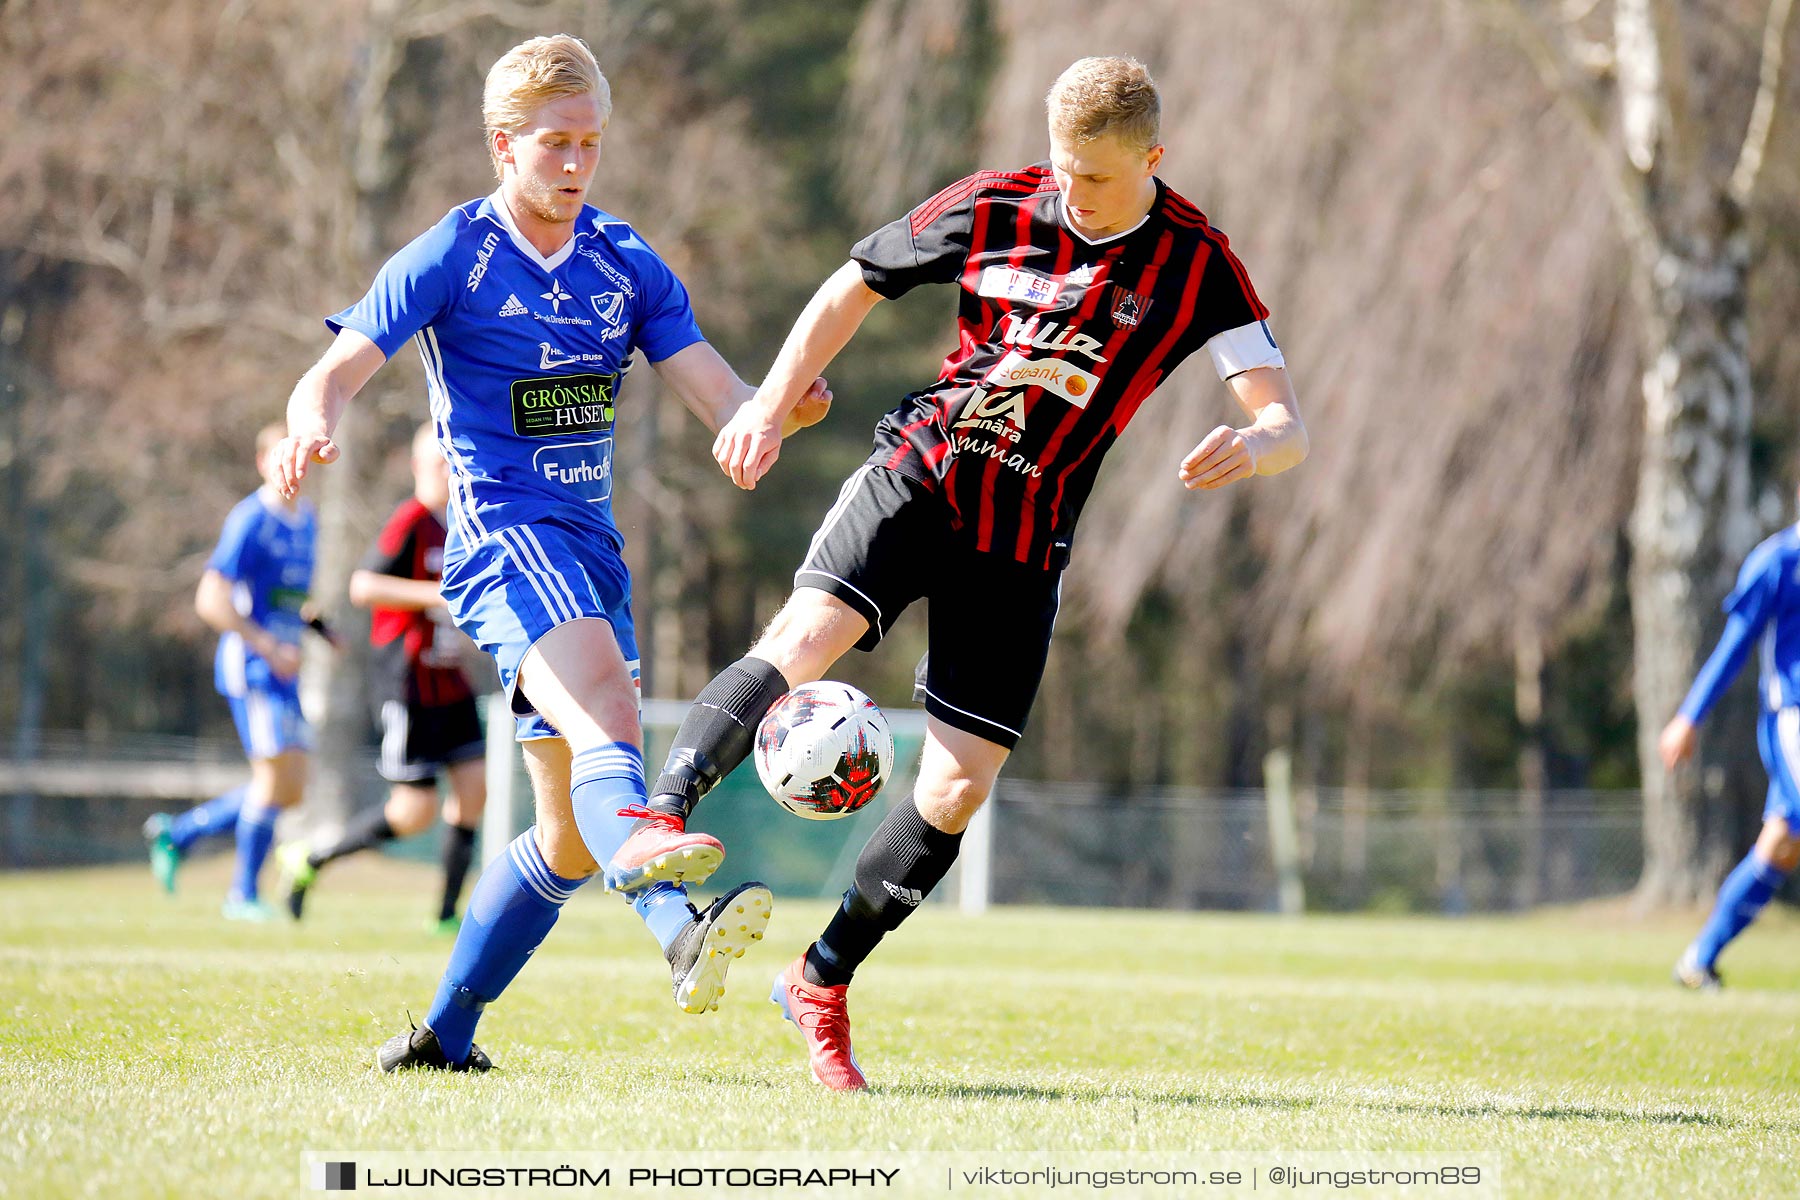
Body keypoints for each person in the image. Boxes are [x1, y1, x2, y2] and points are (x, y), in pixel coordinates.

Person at [642, 55, 1307, 1090]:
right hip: (921, 470)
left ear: (1153, 160)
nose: (1070, 194)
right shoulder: (994, 206)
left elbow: (1285, 420)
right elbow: (850, 284)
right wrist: (769, 402)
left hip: (1026, 535)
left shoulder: (1195, 262)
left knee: (957, 786)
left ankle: (819, 979)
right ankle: (661, 814)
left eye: (1094, 178)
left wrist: (1254, 445)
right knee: (805, 638)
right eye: (1060, 167)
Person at [274, 34, 830, 1073]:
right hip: (502, 546)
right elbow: (336, 369)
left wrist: (776, 414)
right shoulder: (454, 253)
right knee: (614, 715)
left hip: (590, 555)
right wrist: (314, 417)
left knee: (568, 843)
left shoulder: (626, 260)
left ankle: (451, 1031)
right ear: (503, 146)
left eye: (590, 144)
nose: (575, 164)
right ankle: (670, 899)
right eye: (554, 145)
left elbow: (720, 394)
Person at [277, 424, 487, 934]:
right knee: (414, 812)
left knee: (475, 789)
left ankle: (446, 915)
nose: (449, 472)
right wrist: (434, 596)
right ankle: (312, 857)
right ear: (419, 468)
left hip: (450, 682)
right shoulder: (411, 521)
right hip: (407, 683)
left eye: (453, 463)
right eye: (440, 464)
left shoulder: (459, 525)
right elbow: (363, 585)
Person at [144, 422, 328, 920]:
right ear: (263, 462)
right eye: (281, 457)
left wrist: (321, 629)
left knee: (290, 787)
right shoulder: (250, 519)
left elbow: (287, 597)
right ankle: (241, 896)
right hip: (254, 668)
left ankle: (178, 835)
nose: (294, 466)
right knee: (272, 783)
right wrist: (268, 646)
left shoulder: (307, 519)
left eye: (301, 457)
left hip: (285, 668)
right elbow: (212, 598)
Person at [1660, 484, 1800, 989]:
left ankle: (1698, 960)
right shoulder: (1779, 562)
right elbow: (1733, 647)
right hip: (1793, 719)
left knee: (1780, 847)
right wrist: (1689, 716)